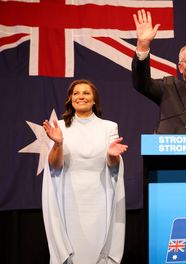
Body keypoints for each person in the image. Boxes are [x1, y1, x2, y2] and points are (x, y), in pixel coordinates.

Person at [42, 79, 128, 264]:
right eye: (76, 93)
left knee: (97, 248)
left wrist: (112, 155)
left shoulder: (109, 127)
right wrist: (58, 143)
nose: (81, 96)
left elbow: (113, 167)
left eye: (86, 93)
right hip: (68, 199)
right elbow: (54, 166)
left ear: (94, 100)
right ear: (70, 99)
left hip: (100, 198)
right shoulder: (59, 127)